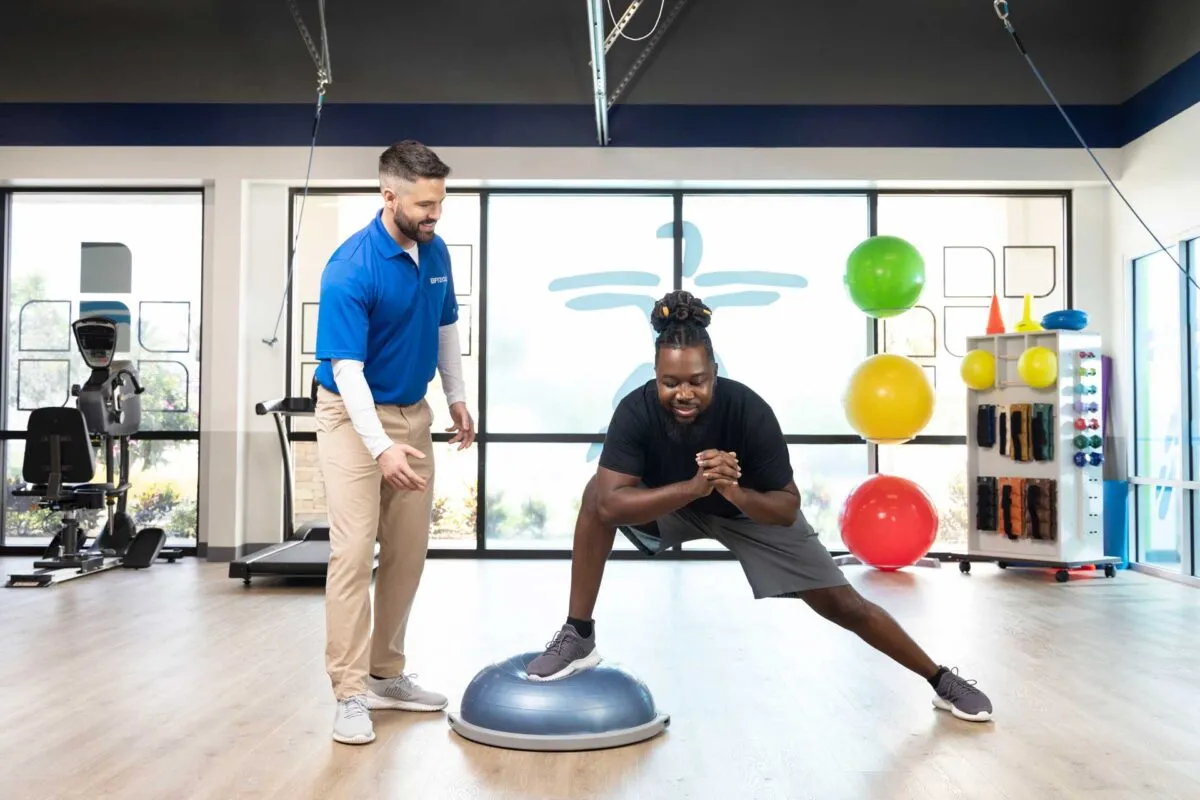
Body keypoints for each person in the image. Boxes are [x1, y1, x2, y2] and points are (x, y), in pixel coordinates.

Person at [525, 290, 994, 723]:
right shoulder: (636, 410)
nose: (684, 393)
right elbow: (610, 504)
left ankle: (940, 679)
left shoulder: (748, 411)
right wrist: (694, 488)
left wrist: (733, 492)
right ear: (655, 375)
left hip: (749, 510)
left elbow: (786, 508)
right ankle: (579, 634)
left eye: (697, 381)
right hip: (677, 501)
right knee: (596, 493)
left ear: (715, 372)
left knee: (844, 605)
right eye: (670, 382)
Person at [312, 140, 476, 745]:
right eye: (425, 205)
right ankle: (350, 692)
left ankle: (386, 675)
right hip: (351, 417)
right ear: (389, 196)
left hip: (413, 412)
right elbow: (348, 371)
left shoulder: (436, 251)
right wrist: (380, 446)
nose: (435, 214)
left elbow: (446, 325)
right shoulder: (350, 267)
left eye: (440, 202)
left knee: (408, 552)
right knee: (354, 553)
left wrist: (456, 396)